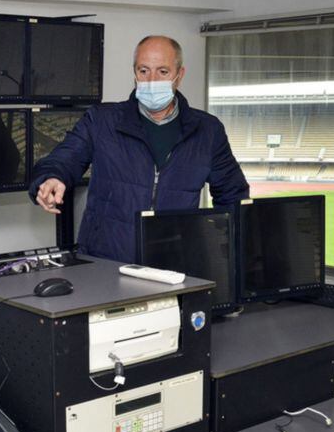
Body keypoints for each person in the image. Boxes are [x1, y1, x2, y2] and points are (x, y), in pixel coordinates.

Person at [29, 35, 248, 263]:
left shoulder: (208, 131)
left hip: (173, 265)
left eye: (162, 72)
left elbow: (233, 195)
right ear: (134, 74)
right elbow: (64, 159)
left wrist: (224, 251)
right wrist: (51, 178)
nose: (151, 80)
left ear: (179, 75)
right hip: (105, 262)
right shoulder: (102, 120)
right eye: (144, 71)